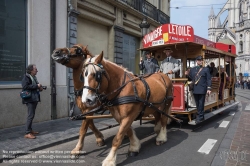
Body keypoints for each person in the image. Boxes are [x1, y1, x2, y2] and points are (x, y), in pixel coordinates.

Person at [185, 56, 211, 123]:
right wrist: (187, 75)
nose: (200, 61)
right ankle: (200, 115)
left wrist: (208, 88)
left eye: (201, 60)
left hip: (202, 88)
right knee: (197, 103)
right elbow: (190, 79)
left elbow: (208, 79)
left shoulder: (206, 69)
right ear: (196, 61)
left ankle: (200, 116)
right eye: (199, 60)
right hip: (195, 88)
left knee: (201, 103)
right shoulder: (193, 69)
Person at [21, 64, 43, 139]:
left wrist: (40, 87)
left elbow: (35, 86)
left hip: (34, 98)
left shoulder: (34, 77)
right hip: (29, 99)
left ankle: (30, 130)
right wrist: (37, 86)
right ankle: (27, 132)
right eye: (35, 69)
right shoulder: (26, 77)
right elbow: (25, 87)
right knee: (30, 115)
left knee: (32, 115)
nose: (37, 71)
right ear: (31, 71)